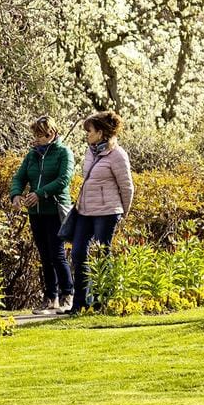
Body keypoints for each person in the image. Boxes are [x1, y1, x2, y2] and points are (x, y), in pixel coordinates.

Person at [66, 109, 132, 314]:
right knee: (77, 253)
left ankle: (104, 300)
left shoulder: (117, 155)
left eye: (90, 130)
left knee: (103, 254)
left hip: (107, 211)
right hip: (85, 210)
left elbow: (127, 186)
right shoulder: (90, 152)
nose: (87, 134)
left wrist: (123, 212)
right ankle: (79, 304)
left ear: (101, 132)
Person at [8, 115, 74, 311]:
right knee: (44, 255)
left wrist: (40, 193)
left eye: (39, 135)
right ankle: (50, 297)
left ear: (50, 134)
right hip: (36, 213)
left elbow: (64, 180)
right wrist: (16, 195)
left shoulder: (64, 153)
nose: (35, 139)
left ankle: (67, 294)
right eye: (34, 134)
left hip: (55, 210)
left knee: (57, 254)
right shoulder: (32, 155)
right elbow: (19, 178)